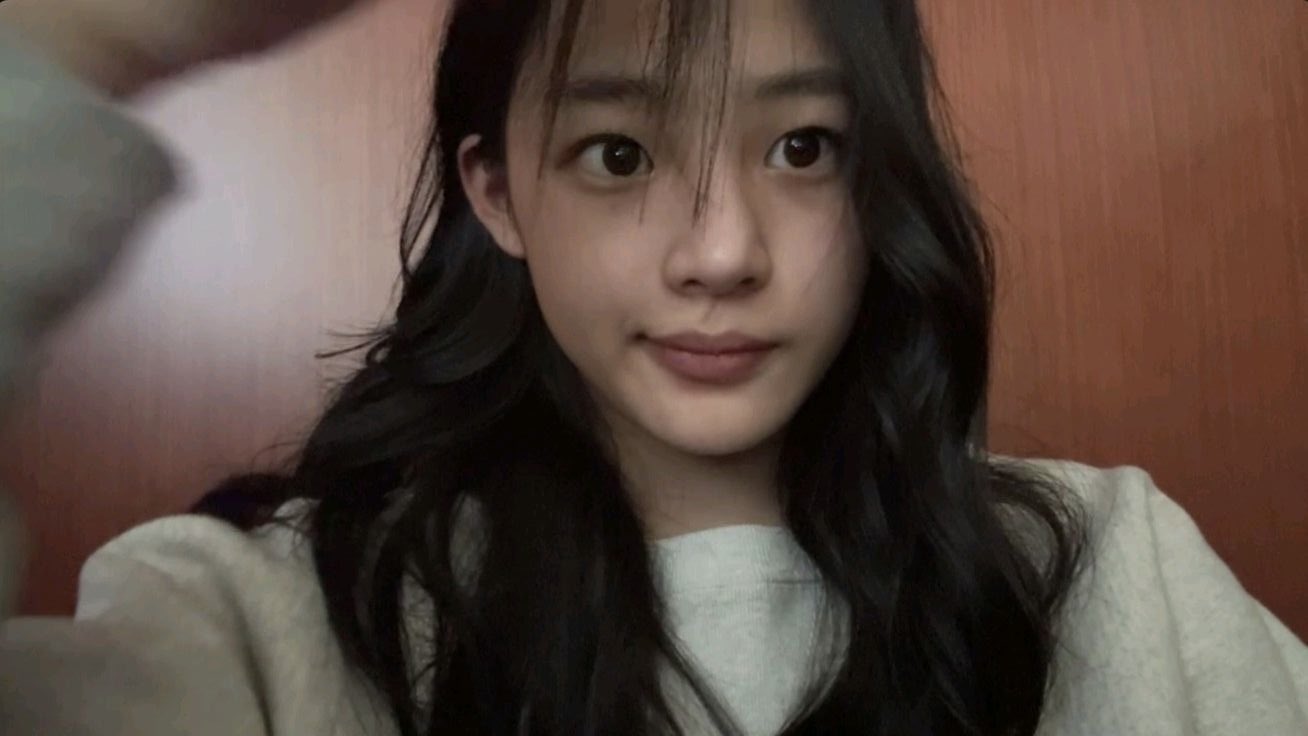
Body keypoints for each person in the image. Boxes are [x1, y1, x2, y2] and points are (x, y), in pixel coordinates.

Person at [0, 0, 1304, 734]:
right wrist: (74, 46)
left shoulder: (1118, 574)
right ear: (497, 193)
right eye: (618, 156)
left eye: (803, 148)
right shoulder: (264, 624)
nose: (721, 253)